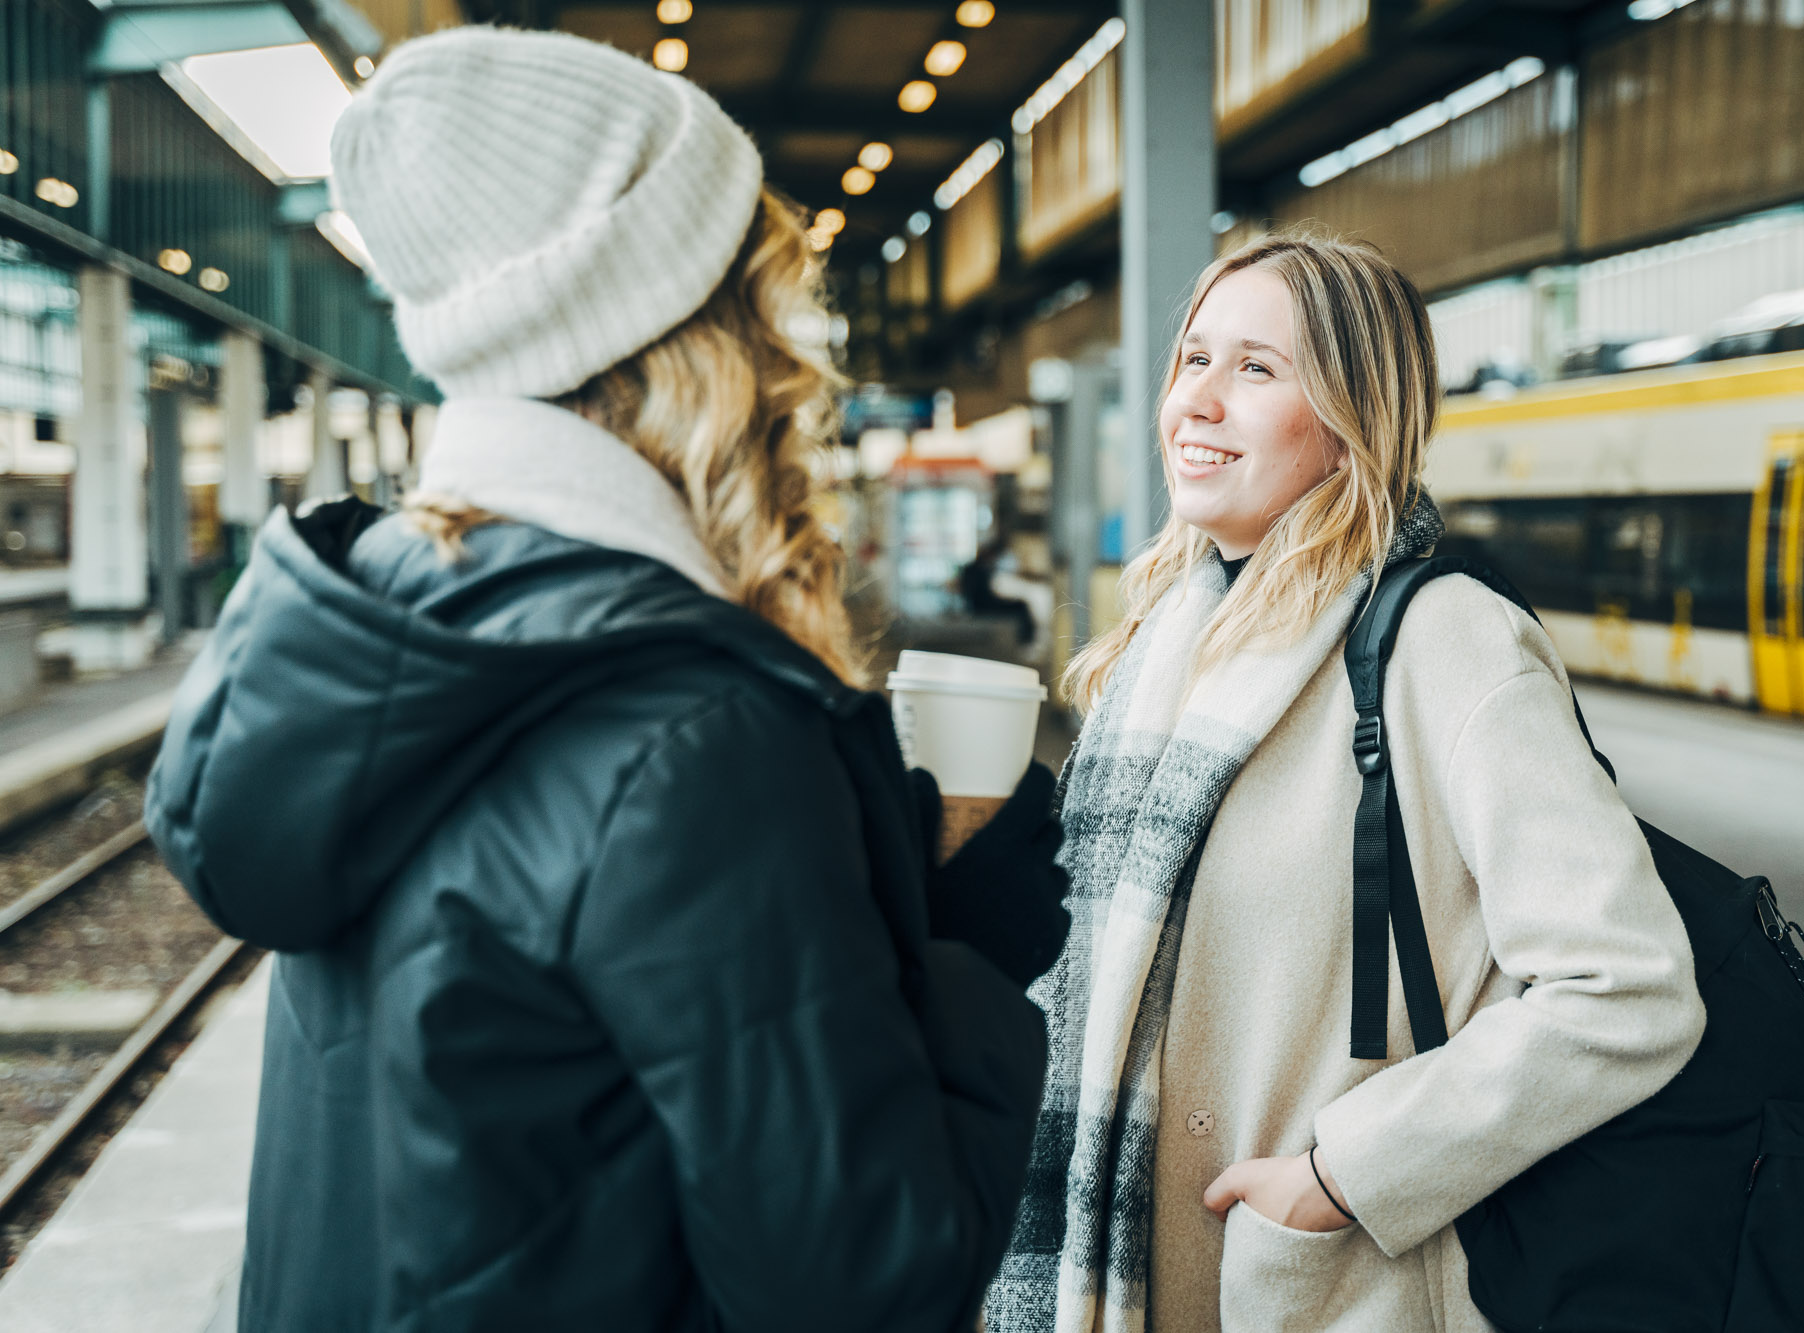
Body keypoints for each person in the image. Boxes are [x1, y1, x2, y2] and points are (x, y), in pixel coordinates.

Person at [143, 28, 1068, 1333]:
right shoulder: (702, 731)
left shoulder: (377, 633)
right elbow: (862, 1286)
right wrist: (959, 956)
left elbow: (548, 1099)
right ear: (699, 337)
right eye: (766, 299)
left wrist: (875, 887)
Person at [983, 233, 1706, 1333]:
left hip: (1319, 1282)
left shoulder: (1445, 641)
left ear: (1349, 418)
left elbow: (1627, 989)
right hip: (1126, 1269)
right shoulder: (1160, 650)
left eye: (1256, 369)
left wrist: (1345, 1176)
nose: (1199, 401)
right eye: (1191, 360)